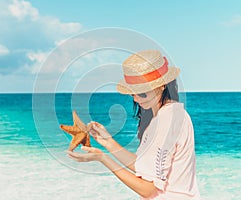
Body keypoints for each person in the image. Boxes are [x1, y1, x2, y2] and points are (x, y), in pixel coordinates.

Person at [67, 50, 200, 199]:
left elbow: (148, 190)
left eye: (142, 93)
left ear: (162, 86)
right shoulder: (165, 116)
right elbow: (143, 168)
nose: (136, 99)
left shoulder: (168, 120)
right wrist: (108, 142)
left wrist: (103, 158)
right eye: (132, 93)